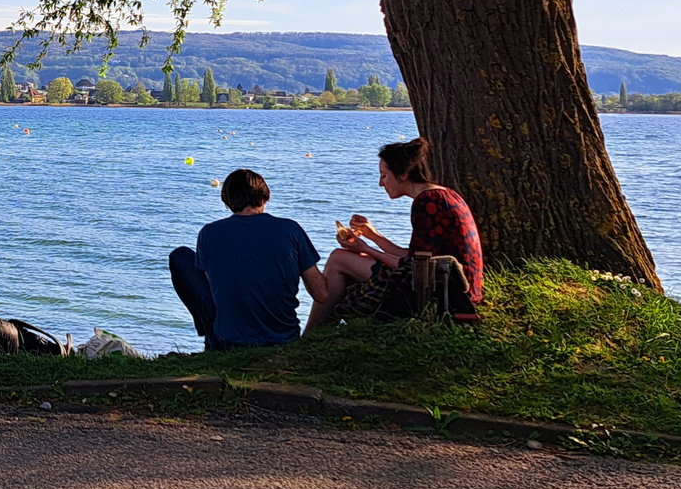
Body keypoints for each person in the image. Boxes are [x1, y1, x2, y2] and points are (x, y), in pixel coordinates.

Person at [305, 137, 483, 331]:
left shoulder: (428, 202)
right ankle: (323, 330)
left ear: (403, 174)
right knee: (351, 258)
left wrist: (365, 248)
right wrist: (373, 237)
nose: (381, 183)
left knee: (339, 259)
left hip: (444, 290)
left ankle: (313, 333)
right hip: (455, 284)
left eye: (384, 175)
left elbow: (415, 266)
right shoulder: (444, 194)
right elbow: (417, 256)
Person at [169, 168, 328, 350]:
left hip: (229, 342)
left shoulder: (209, 233)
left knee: (180, 256)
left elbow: (214, 288)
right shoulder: (291, 230)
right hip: (284, 338)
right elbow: (321, 294)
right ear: (264, 198)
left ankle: (210, 334)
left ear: (227, 201)